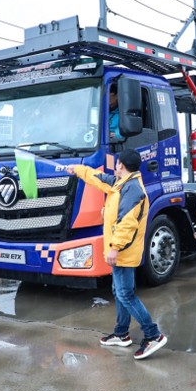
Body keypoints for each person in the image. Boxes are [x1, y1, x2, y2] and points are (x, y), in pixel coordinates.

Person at [66, 149, 167, 360]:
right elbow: (98, 178)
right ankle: (121, 334)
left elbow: (126, 224)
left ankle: (153, 335)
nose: (115, 165)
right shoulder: (121, 184)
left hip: (123, 250)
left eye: (117, 162)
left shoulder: (132, 190)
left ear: (121, 165)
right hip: (121, 250)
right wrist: (78, 170)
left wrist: (114, 248)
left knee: (126, 294)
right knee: (119, 290)